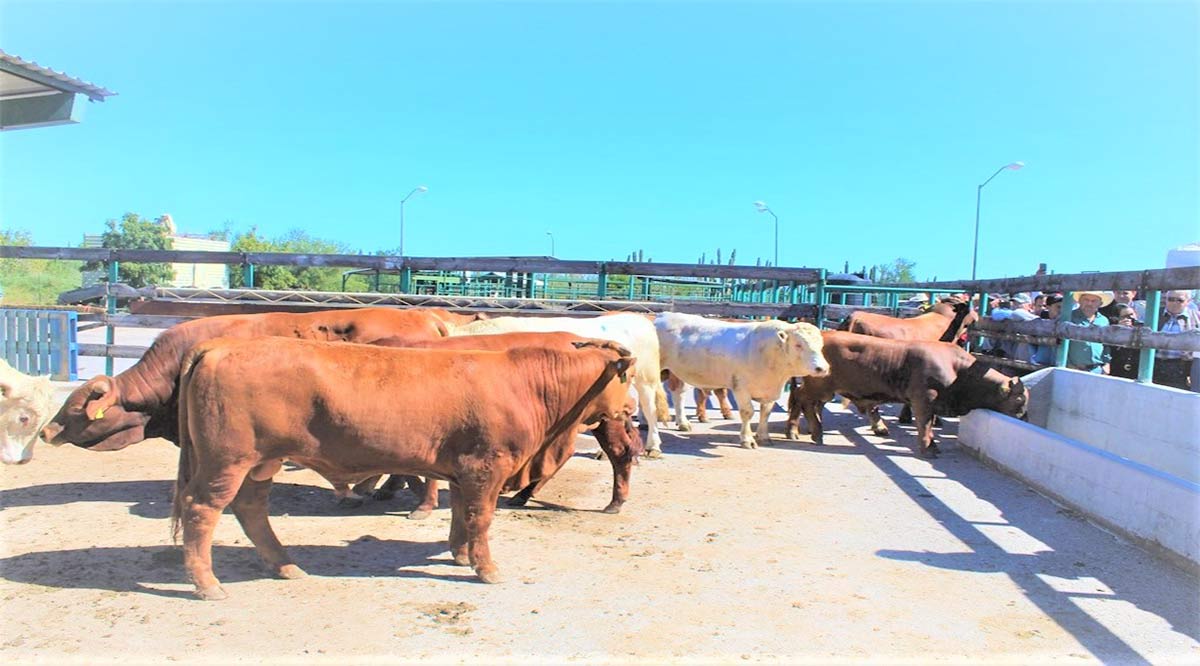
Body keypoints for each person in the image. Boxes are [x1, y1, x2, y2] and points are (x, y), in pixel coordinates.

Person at [1153, 290, 1199, 390]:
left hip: (1181, 368)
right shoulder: (1155, 314)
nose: (1174, 303)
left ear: (1188, 301)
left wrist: (1192, 373)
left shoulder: (1196, 317)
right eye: (1171, 299)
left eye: (1179, 300)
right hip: (1154, 365)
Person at [1066, 290, 1111, 373]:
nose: (1089, 303)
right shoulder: (1069, 317)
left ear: (1100, 303)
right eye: (1086, 300)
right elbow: (1059, 343)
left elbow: (1106, 344)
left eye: (1094, 301)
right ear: (1079, 301)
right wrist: (1068, 365)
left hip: (1097, 370)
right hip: (1073, 369)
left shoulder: (1104, 320)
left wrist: (1107, 363)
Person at [1107, 303, 1142, 379]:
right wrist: (1119, 330)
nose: (1130, 318)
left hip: (1136, 369)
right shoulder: (1111, 330)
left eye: (1132, 315)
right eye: (1125, 317)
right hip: (1117, 369)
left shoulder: (1141, 328)